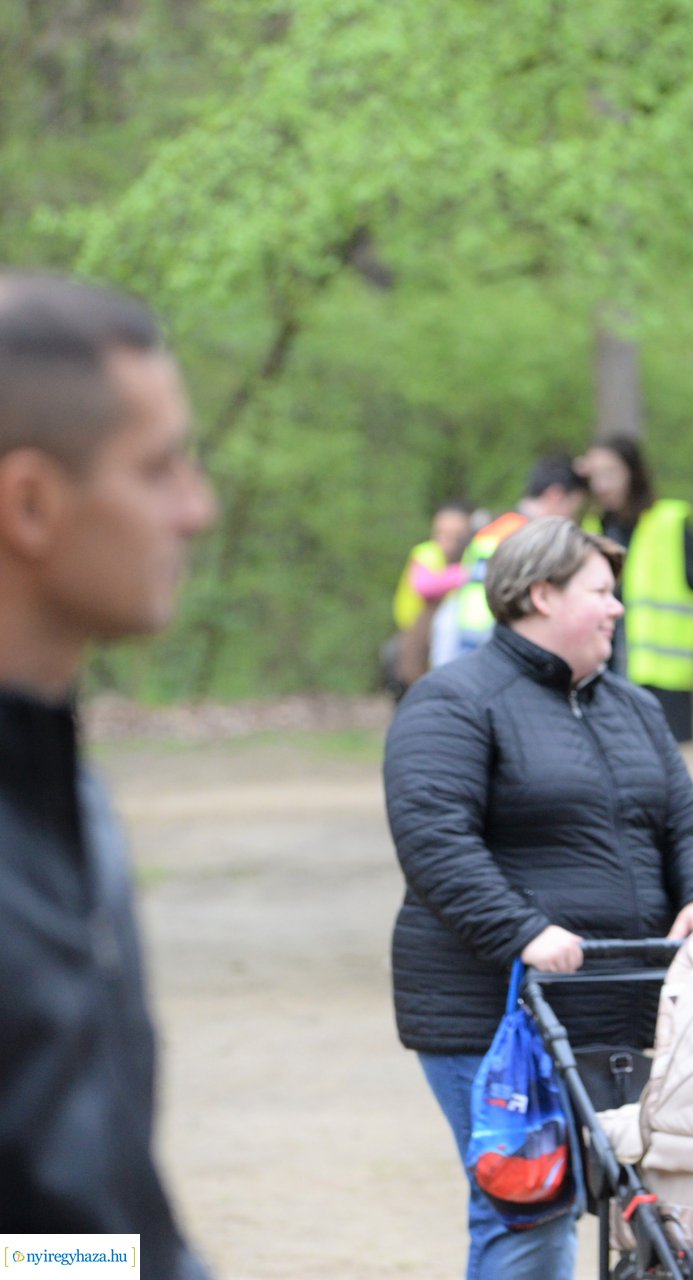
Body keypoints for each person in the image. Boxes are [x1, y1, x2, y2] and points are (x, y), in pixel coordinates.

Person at [386, 516, 693, 1279]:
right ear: (540, 595)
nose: (618, 608)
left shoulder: (634, 707)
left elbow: (690, 827)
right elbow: (435, 842)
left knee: (645, 1210)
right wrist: (524, 930)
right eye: (602, 592)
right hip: (495, 1012)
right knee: (530, 1209)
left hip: (622, 1005)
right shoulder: (452, 702)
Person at [0, 273, 215, 1278]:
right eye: (159, 466)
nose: (198, 508)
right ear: (32, 503)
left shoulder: (65, 791)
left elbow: (62, 1215)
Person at [576, 436, 693, 743]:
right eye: (594, 475)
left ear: (633, 473)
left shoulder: (669, 522)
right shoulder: (592, 527)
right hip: (602, 674)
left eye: (610, 472)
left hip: (661, 679)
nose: (600, 484)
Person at [431, 455, 586, 669]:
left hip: (465, 640)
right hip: (502, 644)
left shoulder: (495, 526)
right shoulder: (535, 538)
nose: (573, 518)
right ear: (555, 496)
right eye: (574, 507)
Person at [384, 499, 472, 695]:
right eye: (440, 533)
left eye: (455, 536)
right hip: (414, 631)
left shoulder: (470, 555)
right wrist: (464, 575)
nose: (446, 541)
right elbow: (424, 586)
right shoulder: (427, 553)